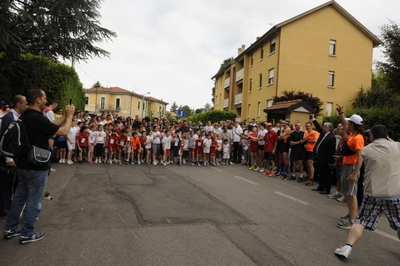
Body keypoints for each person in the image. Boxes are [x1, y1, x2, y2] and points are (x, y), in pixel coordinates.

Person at [4, 88, 74, 244]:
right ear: (38, 100)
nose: (45, 100)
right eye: (44, 98)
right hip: (36, 166)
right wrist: (69, 116)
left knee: (19, 199)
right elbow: (62, 131)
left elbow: (50, 125)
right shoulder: (36, 117)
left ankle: (11, 228)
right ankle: (27, 233)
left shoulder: (26, 116)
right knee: (34, 201)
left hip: (23, 164)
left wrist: (63, 116)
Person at [334, 125, 400, 260]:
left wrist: (354, 173)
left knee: (361, 221)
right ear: (387, 136)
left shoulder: (366, 150)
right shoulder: (397, 146)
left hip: (373, 193)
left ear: (371, 136)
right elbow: (393, 143)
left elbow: (358, 159)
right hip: (394, 192)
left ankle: (347, 248)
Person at [336, 107, 365, 230]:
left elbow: (360, 157)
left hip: (352, 166)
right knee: (347, 194)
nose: (346, 125)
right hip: (347, 165)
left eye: (349, 123)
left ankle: (353, 220)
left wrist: (354, 173)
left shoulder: (358, 138)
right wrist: (341, 113)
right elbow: (345, 123)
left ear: (353, 125)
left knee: (352, 194)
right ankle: (350, 215)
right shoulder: (353, 134)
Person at [0, 95, 28, 219]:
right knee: (6, 186)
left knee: (13, 184)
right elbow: (4, 139)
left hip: (15, 157)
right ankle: (4, 211)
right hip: (8, 158)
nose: (27, 105)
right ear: (18, 104)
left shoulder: (18, 117)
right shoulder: (8, 118)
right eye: (25, 103)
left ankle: (9, 207)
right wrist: (8, 159)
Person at [311, 116, 336, 194]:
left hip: (325, 159)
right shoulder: (323, 134)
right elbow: (318, 128)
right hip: (319, 157)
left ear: (329, 128)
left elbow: (331, 150)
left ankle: (327, 188)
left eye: (324, 127)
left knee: (326, 174)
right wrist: (313, 119)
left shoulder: (331, 137)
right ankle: (321, 186)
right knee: (321, 173)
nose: (323, 128)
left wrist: (330, 161)